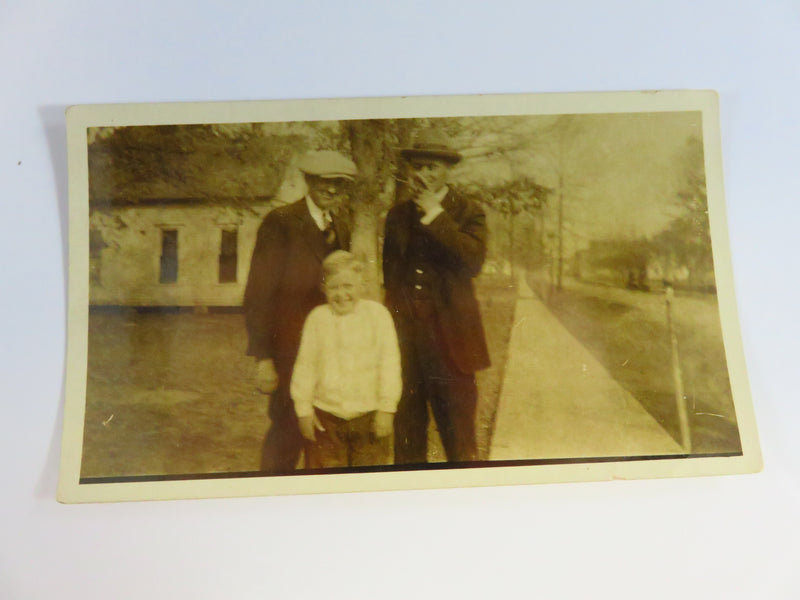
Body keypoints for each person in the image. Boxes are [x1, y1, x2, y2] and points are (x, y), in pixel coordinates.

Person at [243, 150, 357, 474]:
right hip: (289, 351)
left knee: (321, 436)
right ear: (309, 181)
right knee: (287, 435)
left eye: (339, 184)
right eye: (325, 182)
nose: (332, 190)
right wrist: (264, 358)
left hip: (329, 350)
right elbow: (258, 293)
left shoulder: (341, 225)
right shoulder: (281, 222)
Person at [382, 130, 491, 464]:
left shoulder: (468, 211)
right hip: (407, 345)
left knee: (459, 440)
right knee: (407, 437)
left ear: (447, 170)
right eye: (419, 167)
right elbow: (392, 278)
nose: (424, 175)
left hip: (451, 344)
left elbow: (471, 262)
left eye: (432, 167)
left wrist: (435, 214)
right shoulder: (397, 216)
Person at [290, 251, 402, 468]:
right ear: (323, 289)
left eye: (348, 286)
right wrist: (303, 410)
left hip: (368, 418)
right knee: (326, 482)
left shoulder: (377, 316)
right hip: (326, 419)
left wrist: (387, 409)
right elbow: (305, 367)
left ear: (361, 285)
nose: (341, 294)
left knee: (368, 482)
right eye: (334, 287)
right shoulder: (317, 318)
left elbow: (389, 365)